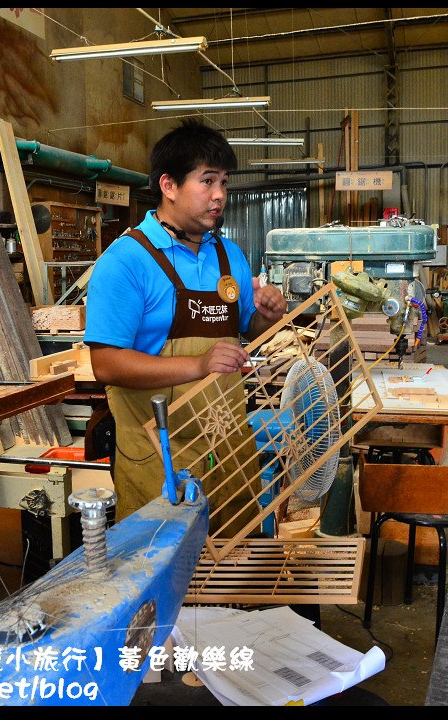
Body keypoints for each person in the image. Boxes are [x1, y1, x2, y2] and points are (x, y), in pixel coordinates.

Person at [84, 120, 287, 529]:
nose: (219, 195)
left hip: (225, 449)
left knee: (230, 571)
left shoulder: (229, 255)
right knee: (164, 577)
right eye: (207, 180)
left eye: (224, 182)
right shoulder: (126, 261)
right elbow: (105, 365)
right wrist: (197, 364)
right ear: (169, 185)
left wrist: (267, 317)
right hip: (158, 459)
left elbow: (246, 333)